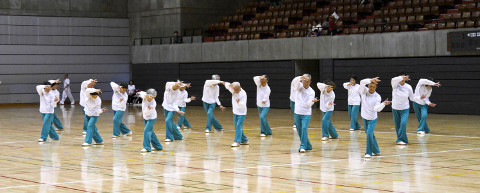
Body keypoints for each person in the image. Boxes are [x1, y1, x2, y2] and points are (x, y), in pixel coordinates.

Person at [358, 77, 391, 158]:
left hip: (372, 119)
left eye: (373, 87)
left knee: (369, 134)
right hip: (364, 117)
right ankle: (376, 150)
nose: (371, 88)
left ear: (376, 87)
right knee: (370, 134)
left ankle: (368, 152)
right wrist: (371, 80)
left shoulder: (377, 97)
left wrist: (383, 104)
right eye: (370, 86)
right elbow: (362, 82)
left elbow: (377, 109)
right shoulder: (364, 91)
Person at [293, 76, 318, 153]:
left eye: (307, 82)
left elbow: (308, 104)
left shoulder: (312, 91)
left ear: (310, 82)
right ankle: (308, 145)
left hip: (306, 113)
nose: (306, 83)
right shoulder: (299, 86)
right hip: (297, 111)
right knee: (299, 130)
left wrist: (312, 101)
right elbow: (294, 81)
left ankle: (303, 146)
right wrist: (300, 77)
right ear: (302, 81)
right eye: (304, 81)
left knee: (304, 128)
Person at [391, 72, 416, 145]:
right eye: (401, 77)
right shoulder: (395, 84)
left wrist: (419, 98)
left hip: (405, 108)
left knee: (403, 123)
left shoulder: (408, 87)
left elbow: (412, 98)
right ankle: (404, 139)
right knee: (397, 125)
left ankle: (399, 139)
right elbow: (393, 79)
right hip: (395, 108)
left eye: (404, 77)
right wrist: (402, 77)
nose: (402, 79)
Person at [224, 82, 249, 147]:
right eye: (234, 89)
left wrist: (239, 102)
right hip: (235, 112)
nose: (235, 91)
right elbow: (226, 85)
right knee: (237, 127)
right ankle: (245, 140)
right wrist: (221, 82)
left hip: (242, 113)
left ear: (239, 87)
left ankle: (237, 141)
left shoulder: (243, 94)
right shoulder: (233, 89)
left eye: (237, 89)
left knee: (238, 126)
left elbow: (243, 105)